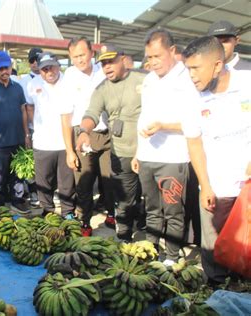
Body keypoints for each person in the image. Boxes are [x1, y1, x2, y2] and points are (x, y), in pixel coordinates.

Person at [182, 36, 251, 283]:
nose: (191, 75)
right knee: (213, 249)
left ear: (218, 65)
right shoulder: (191, 98)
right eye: (188, 69)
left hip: (247, 187)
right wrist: (205, 185)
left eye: (196, 68)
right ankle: (215, 291)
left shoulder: (247, 84)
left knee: (246, 246)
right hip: (216, 187)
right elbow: (194, 142)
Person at [133, 29, 198, 265]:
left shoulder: (187, 80)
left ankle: (171, 256)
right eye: (149, 57)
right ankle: (150, 251)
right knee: (151, 208)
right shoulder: (149, 80)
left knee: (172, 210)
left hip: (173, 157)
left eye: (157, 56)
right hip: (148, 155)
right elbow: (144, 117)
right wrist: (138, 153)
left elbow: (194, 123)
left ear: (172, 51)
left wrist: (164, 126)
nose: (152, 62)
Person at [76, 45, 145, 241]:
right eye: (103, 63)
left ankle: (159, 246)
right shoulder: (102, 89)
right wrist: (83, 131)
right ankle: (124, 239)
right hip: (121, 152)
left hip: (149, 152)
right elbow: (91, 113)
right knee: (124, 200)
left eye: (110, 61)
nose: (107, 67)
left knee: (153, 202)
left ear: (123, 59)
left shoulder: (144, 80)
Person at [59, 37, 113, 236]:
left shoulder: (103, 72)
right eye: (75, 57)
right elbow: (65, 117)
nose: (80, 60)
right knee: (84, 183)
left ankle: (112, 214)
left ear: (92, 53)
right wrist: (69, 151)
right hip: (81, 137)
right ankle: (85, 222)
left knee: (110, 180)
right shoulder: (69, 77)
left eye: (82, 55)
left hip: (106, 135)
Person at [0, 50, 31, 212]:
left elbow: (23, 111)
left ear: (11, 67)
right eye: (0, 68)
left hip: (18, 139)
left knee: (18, 173)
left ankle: (18, 201)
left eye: (6, 68)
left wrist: (27, 135)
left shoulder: (17, 88)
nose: (4, 72)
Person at [25, 52, 75, 218]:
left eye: (51, 67)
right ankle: (48, 210)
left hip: (64, 142)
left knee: (66, 181)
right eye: (44, 69)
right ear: (40, 71)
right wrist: (35, 128)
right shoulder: (33, 84)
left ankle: (68, 212)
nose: (48, 72)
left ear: (58, 66)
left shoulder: (69, 83)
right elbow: (30, 107)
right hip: (42, 141)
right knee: (44, 180)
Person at [19, 47, 43, 208]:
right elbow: (24, 108)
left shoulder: (50, 77)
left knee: (44, 164)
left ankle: (45, 191)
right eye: (32, 60)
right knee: (31, 163)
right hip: (31, 128)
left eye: (38, 60)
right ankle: (33, 192)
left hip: (48, 129)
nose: (35, 63)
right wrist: (28, 133)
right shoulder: (24, 81)